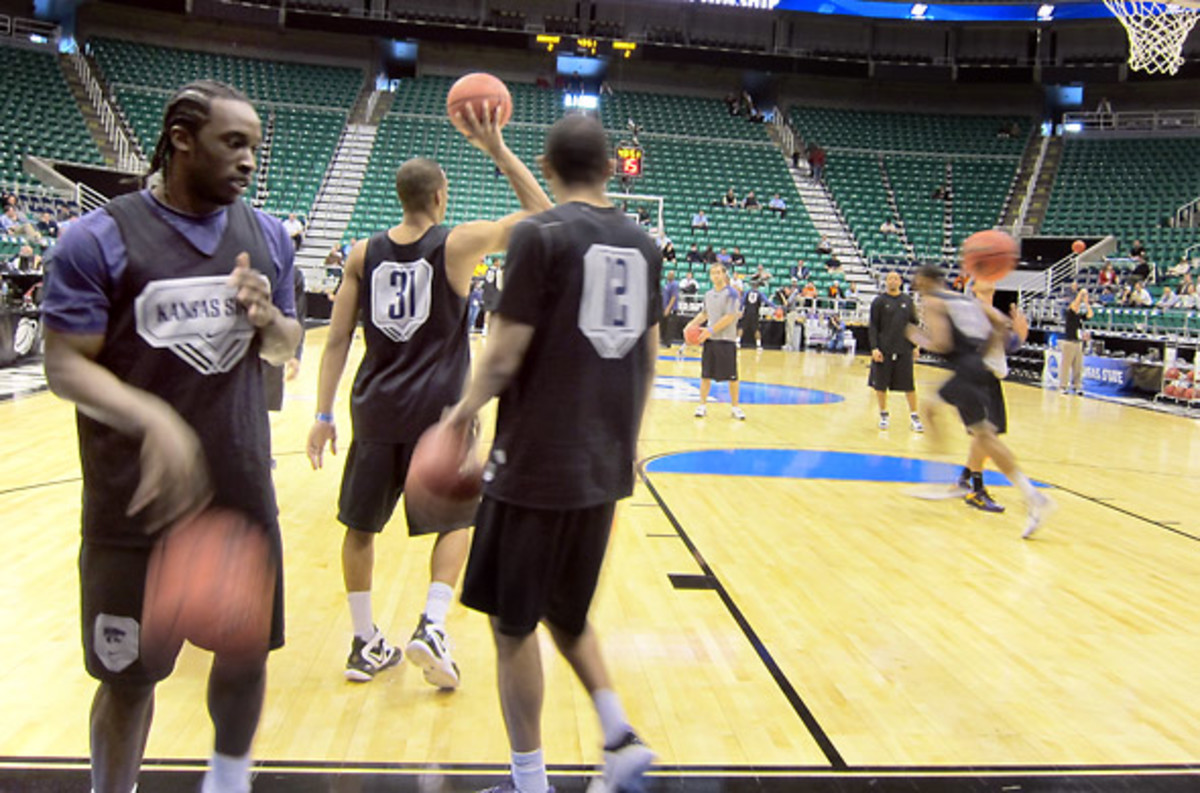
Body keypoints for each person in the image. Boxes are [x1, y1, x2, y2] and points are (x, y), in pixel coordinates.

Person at [41, 79, 302, 793]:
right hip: (135, 503)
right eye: (234, 142)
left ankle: (227, 781)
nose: (250, 160)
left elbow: (288, 344)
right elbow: (63, 362)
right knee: (129, 680)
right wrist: (152, 416)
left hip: (240, 491)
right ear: (182, 139)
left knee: (245, 656)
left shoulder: (269, 236)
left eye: (256, 145)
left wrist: (270, 322)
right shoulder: (98, 237)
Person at [444, 114, 659, 793]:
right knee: (567, 613)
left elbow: (504, 352)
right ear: (610, 166)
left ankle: (529, 781)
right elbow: (651, 358)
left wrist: (461, 410)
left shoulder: (539, 237)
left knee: (513, 628)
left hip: (536, 462)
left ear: (552, 163)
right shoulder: (644, 242)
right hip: (605, 463)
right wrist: (632, 441)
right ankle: (619, 736)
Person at [306, 103, 551, 686]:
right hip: (440, 413)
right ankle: (432, 626)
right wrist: (496, 149)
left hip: (374, 410)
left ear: (399, 196)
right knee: (457, 520)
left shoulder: (363, 253)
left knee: (360, 528)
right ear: (439, 196)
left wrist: (321, 413)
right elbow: (546, 217)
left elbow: (337, 337)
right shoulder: (458, 244)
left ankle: (364, 643)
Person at [908, 265, 1053, 537]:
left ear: (927, 281)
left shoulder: (933, 301)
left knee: (930, 411)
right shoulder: (968, 301)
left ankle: (940, 480)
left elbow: (940, 343)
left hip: (966, 369)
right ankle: (1032, 496)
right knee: (984, 436)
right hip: (977, 367)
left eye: (918, 279)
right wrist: (983, 353)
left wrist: (916, 336)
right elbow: (1000, 323)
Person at [685, 261, 745, 420]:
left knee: (732, 377)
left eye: (719, 272)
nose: (716, 275)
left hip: (727, 340)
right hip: (710, 341)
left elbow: (730, 317)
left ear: (724, 275)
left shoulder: (732, 294)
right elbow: (705, 314)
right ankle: (702, 405)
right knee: (705, 375)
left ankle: (735, 407)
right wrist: (690, 325)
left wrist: (710, 330)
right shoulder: (708, 294)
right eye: (713, 273)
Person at [868, 271, 923, 432]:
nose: (893, 281)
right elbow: (873, 326)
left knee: (909, 385)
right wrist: (874, 348)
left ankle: (914, 416)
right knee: (881, 385)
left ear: (900, 282)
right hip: (884, 349)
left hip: (904, 349)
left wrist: (916, 346)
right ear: (886, 282)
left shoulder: (907, 301)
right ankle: (884, 415)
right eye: (890, 279)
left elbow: (914, 326)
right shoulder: (879, 301)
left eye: (896, 279)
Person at [1060, 287, 1092, 395]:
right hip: (1069, 342)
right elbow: (1075, 304)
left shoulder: (1079, 316)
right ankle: (1063, 386)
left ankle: (1077, 386)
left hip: (1078, 343)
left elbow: (1090, 314)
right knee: (1066, 365)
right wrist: (1081, 293)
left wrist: (1087, 303)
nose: (1077, 306)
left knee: (1078, 366)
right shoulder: (1070, 314)